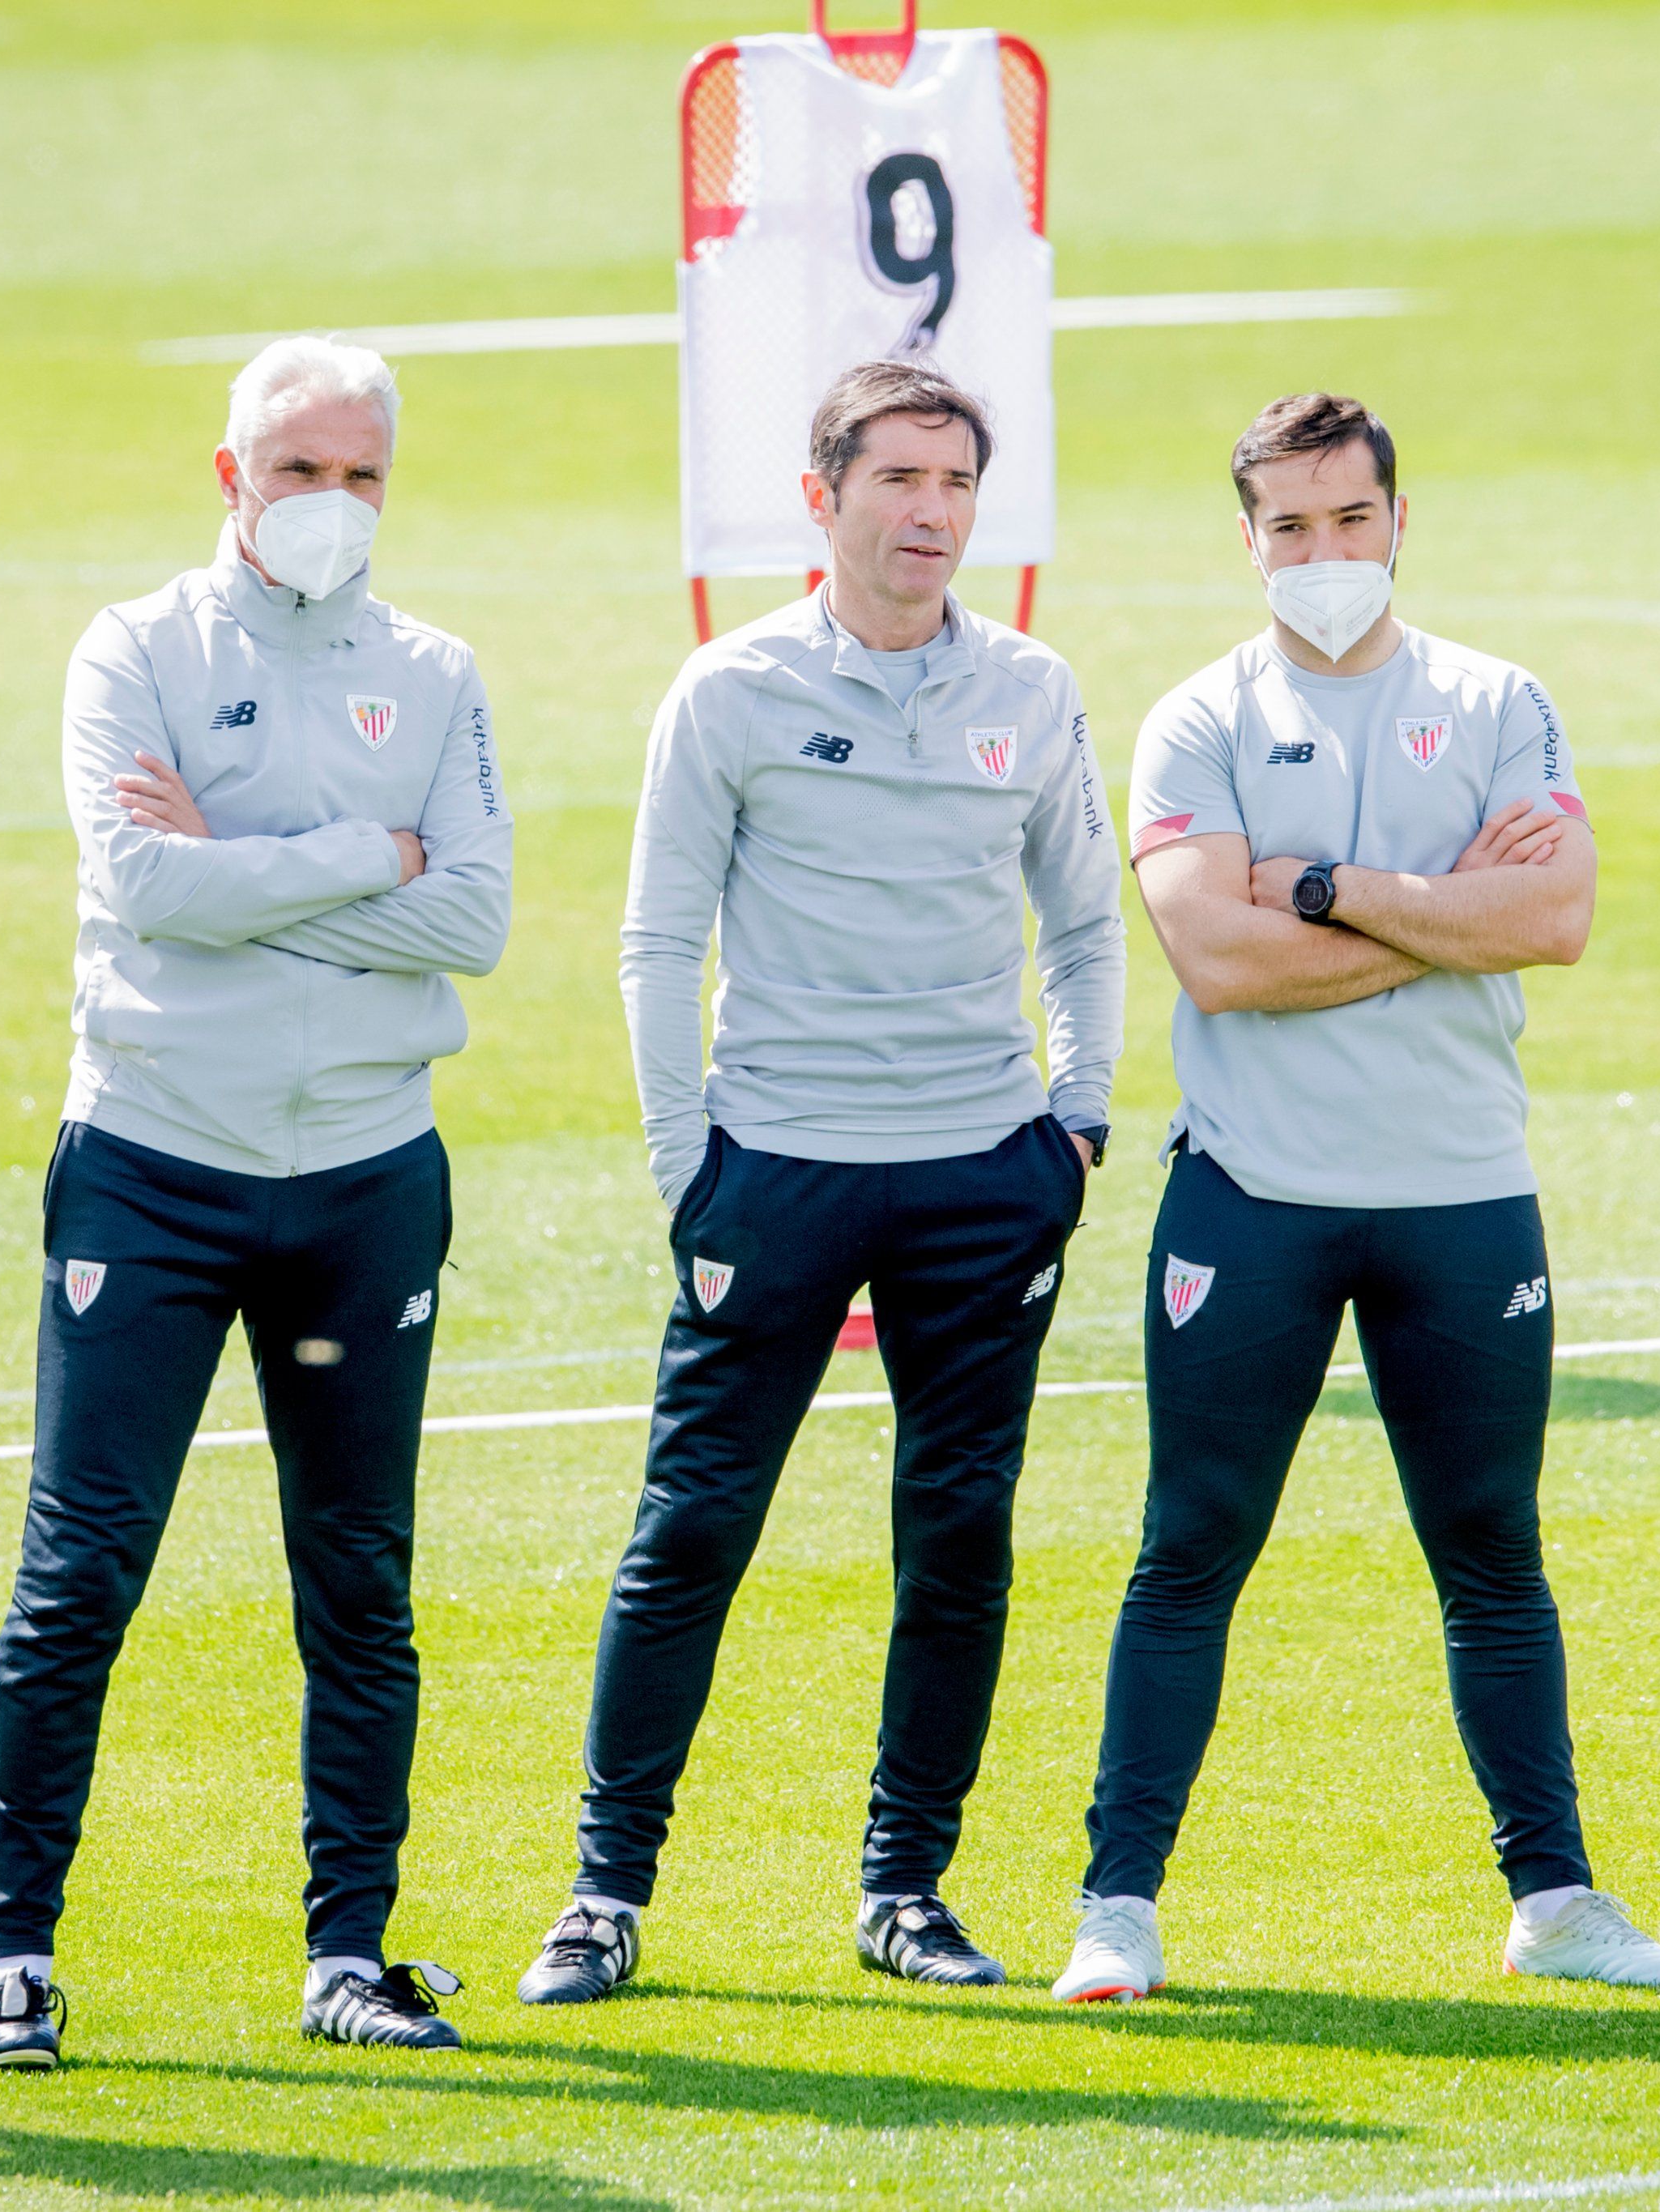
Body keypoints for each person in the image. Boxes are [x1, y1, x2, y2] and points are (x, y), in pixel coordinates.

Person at [1052, 394, 1660, 2007]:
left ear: (1397, 521)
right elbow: (1213, 953)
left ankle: (1555, 1903)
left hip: (1459, 1195)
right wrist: (1441, 910)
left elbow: (1551, 918)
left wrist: (1328, 889)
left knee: (1491, 1551)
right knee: (1189, 1549)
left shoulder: (1496, 702)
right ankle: (1117, 1907)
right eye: (1290, 527)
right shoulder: (1195, 720)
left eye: (1350, 520)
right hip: (1254, 1197)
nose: (1324, 553)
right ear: (1247, 541)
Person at [516, 360, 1123, 2004]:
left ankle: (903, 1888)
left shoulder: (1032, 686)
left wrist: (1075, 1124)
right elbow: (656, 939)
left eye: (954, 486)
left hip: (981, 1181)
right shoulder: (726, 690)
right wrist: (683, 1170)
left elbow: (1080, 921)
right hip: (773, 1172)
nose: (931, 515)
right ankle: (602, 1892)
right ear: (822, 494)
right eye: (899, 482)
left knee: (956, 1535)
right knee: (689, 1532)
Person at [0, 335, 510, 2067]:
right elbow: (137, 881)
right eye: (297, 472)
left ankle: (349, 1949)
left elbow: (472, 920)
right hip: (152, 1166)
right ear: (229, 477)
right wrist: (371, 858)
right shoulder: (133, 648)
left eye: (360, 477)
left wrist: (246, 878)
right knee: (80, 1567)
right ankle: (12, 1949)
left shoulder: (433, 673)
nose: (329, 506)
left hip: (362, 1179)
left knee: (358, 1575)